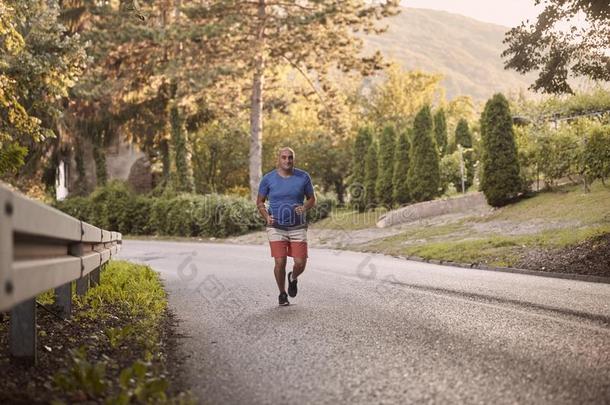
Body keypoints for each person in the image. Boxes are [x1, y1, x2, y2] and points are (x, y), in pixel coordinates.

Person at [256, 147, 316, 306]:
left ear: (293, 159)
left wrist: (304, 207)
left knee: (300, 263)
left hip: (298, 226)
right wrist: (266, 216)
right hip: (276, 227)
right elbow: (260, 202)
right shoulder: (268, 179)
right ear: (278, 159)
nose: (287, 161)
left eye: (290, 158)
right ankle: (282, 293)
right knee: (280, 261)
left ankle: (293, 278)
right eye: (284, 157)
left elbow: (312, 199)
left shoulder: (303, 177)